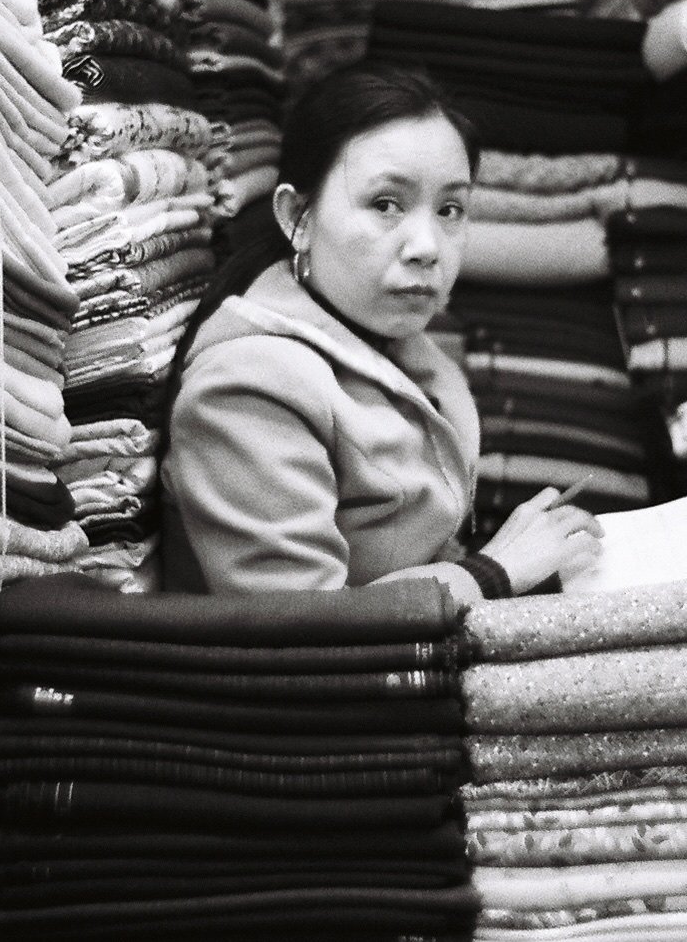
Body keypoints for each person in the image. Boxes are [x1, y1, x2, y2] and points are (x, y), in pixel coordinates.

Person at [161, 61, 604, 598]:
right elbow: (296, 626)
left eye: (450, 209)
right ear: (296, 216)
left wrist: (534, 564)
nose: (427, 247)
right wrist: (496, 571)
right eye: (385, 204)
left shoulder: (401, 346)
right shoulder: (246, 387)